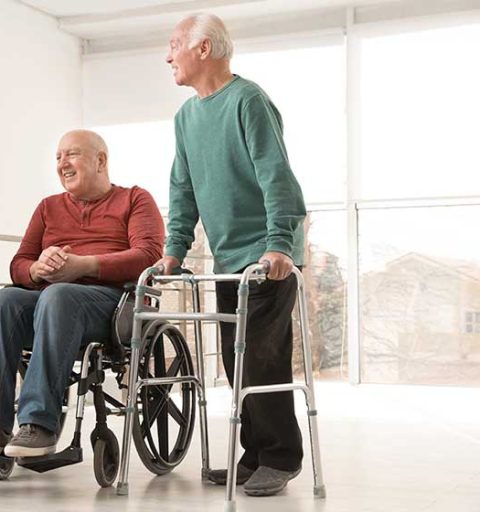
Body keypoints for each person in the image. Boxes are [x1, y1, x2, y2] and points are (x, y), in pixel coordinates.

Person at [156, 14, 307, 496]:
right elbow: (182, 189)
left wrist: (279, 244)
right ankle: (254, 455)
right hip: (227, 260)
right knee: (234, 358)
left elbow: (275, 175)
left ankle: (281, 458)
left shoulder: (248, 101)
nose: (168, 55)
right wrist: (174, 250)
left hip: (267, 254)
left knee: (262, 357)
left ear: (204, 49)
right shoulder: (186, 117)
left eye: (175, 44)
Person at [0, 129, 164, 458]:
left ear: (100, 160)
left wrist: (84, 265)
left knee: (59, 296)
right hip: (52, 302)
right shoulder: (48, 207)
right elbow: (19, 263)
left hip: (112, 305)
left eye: (71, 154)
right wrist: (37, 270)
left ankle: (39, 425)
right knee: (4, 301)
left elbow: (148, 255)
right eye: (58, 157)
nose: (63, 163)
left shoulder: (134, 199)